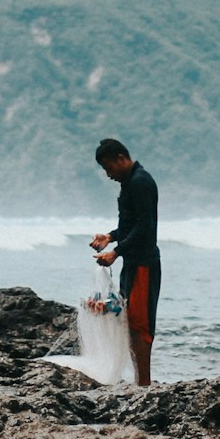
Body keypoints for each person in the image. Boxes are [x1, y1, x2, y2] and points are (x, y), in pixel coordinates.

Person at [88, 137, 159, 386]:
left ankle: (144, 384)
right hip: (133, 263)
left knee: (141, 326)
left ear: (121, 158)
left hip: (143, 264)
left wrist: (116, 252)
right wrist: (110, 236)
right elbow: (130, 226)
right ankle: (141, 381)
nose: (108, 175)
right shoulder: (130, 183)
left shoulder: (140, 182)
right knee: (129, 323)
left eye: (109, 168)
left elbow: (145, 228)